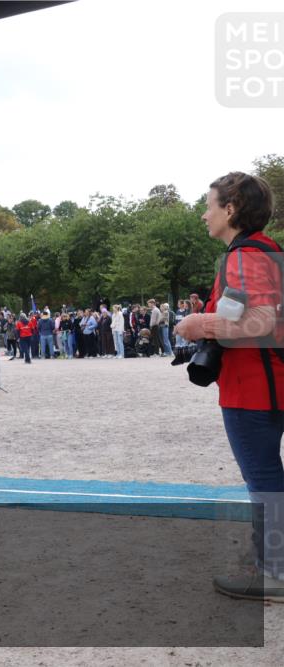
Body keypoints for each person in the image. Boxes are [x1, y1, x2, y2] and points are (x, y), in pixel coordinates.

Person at [174, 172, 283, 602]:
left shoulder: (243, 255)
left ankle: (272, 573)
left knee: (264, 481)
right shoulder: (270, 251)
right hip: (271, 380)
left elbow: (258, 322)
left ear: (231, 209)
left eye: (210, 204)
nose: (205, 213)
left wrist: (197, 324)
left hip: (254, 387)